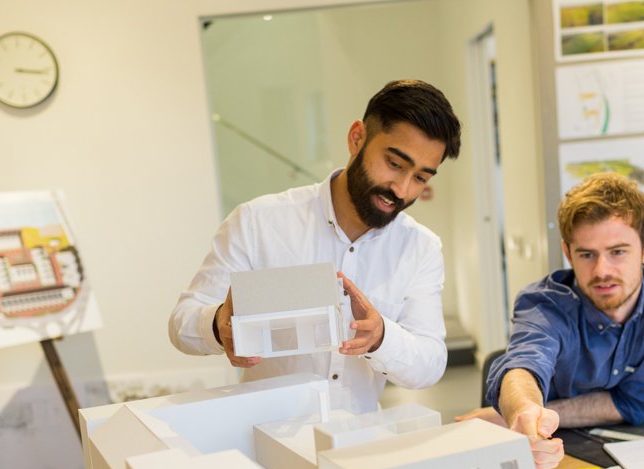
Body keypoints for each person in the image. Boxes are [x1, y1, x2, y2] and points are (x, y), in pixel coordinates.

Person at [168, 80, 461, 413]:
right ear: (357, 138)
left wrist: (381, 337)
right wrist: (218, 325)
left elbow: (431, 363)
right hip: (264, 442)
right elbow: (181, 323)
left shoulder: (420, 248)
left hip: (359, 444)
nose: (402, 189)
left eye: (421, 177)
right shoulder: (258, 222)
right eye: (394, 164)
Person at [461, 172, 644, 469]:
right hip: (548, 447)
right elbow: (523, 365)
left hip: (628, 448)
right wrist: (523, 411)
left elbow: (638, 404)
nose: (602, 271)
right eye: (587, 254)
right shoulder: (545, 304)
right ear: (567, 253)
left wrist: (546, 412)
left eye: (618, 252)